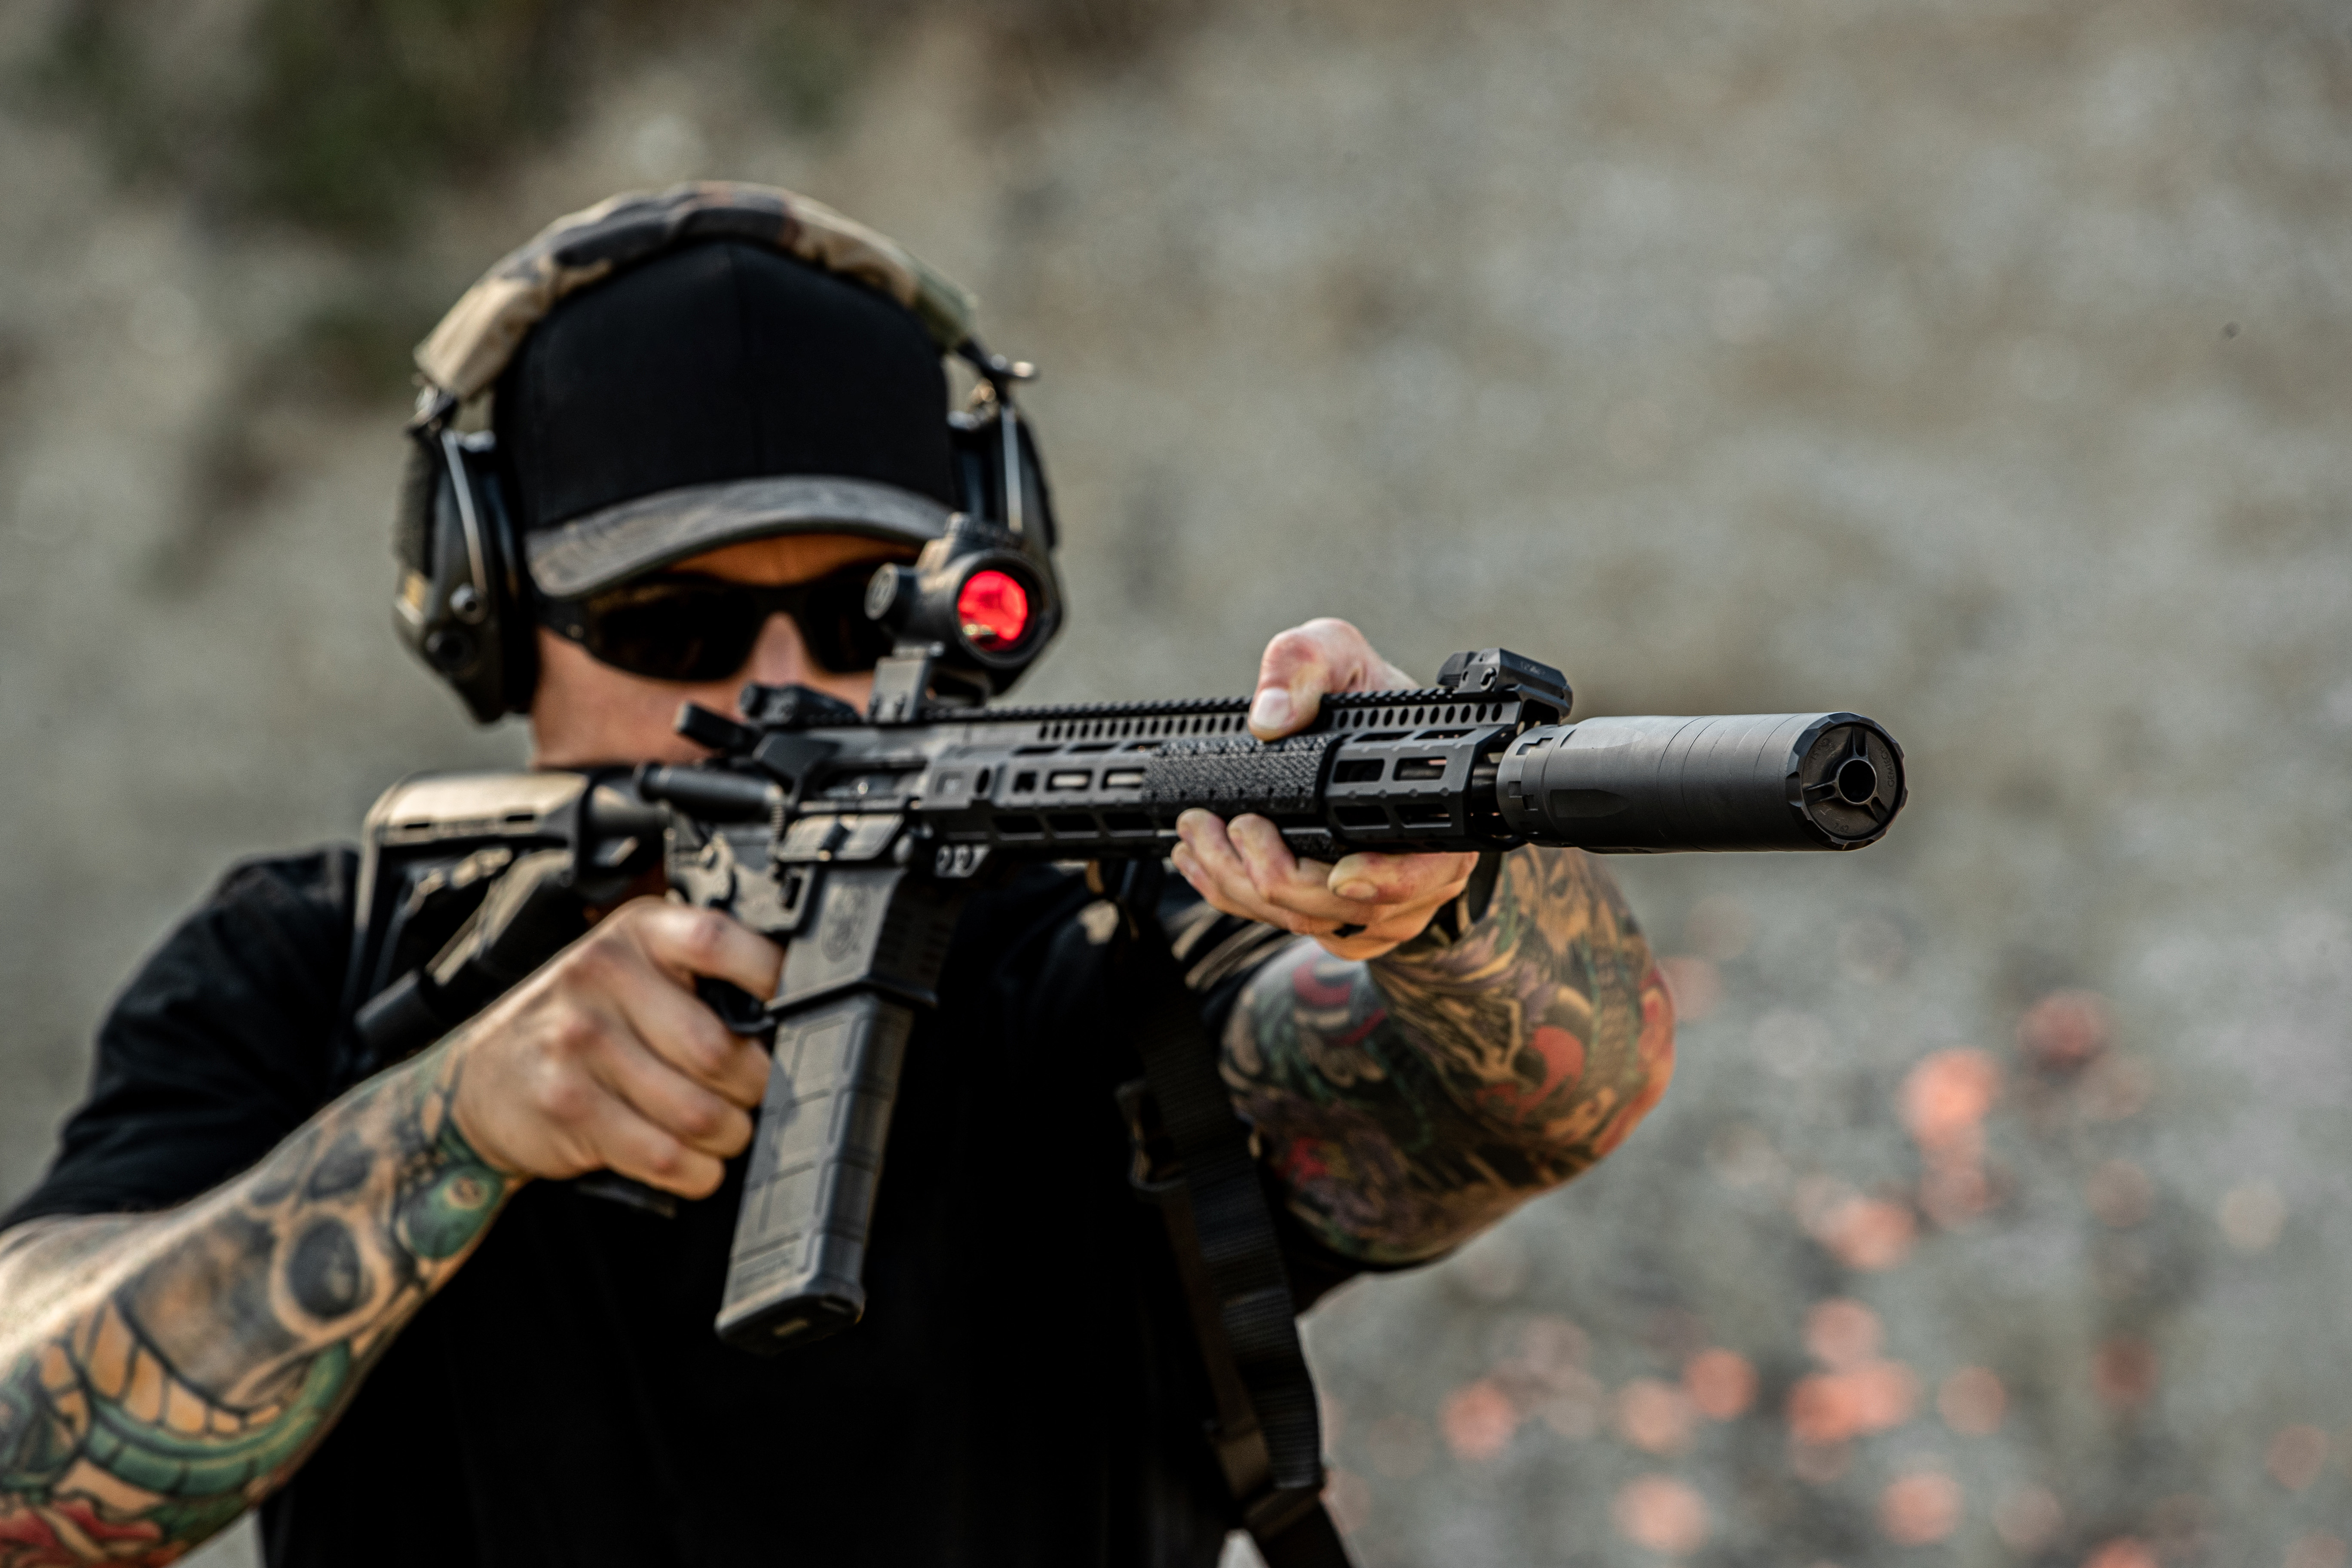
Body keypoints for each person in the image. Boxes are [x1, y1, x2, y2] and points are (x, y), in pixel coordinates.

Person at [0, 185, 1675, 1568]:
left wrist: (1447, 912)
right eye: (674, 623)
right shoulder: (315, 962)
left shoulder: (1095, 940)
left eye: (865, 610)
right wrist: (455, 1123)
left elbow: (1537, 1101)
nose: (783, 681)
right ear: (491, 615)